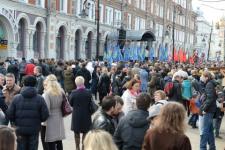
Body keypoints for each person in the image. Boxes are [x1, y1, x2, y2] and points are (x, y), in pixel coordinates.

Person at [6, 75, 49, 150]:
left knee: (20, 147)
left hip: (19, 128)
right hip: (34, 129)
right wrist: (38, 120)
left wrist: (15, 122)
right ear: (35, 84)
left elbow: (9, 114)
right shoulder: (40, 98)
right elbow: (45, 115)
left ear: (23, 84)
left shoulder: (16, 98)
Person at [42, 74, 66, 150]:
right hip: (59, 116)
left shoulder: (47, 93)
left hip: (50, 118)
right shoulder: (61, 91)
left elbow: (46, 109)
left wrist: (42, 121)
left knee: (50, 140)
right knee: (58, 140)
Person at [69, 76, 93, 150]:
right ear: (83, 82)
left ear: (76, 83)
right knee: (85, 132)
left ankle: (77, 148)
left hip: (76, 115)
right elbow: (90, 103)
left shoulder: (73, 92)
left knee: (76, 133)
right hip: (86, 114)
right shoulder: (88, 92)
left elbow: (70, 103)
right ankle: (83, 147)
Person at [199, 71, 217, 150]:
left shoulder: (209, 84)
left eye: (202, 76)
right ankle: (212, 147)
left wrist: (204, 109)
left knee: (205, 130)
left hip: (209, 110)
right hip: (211, 109)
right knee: (209, 130)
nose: (201, 77)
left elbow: (209, 98)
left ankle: (202, 148)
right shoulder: (211, 83)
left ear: (206, 77)